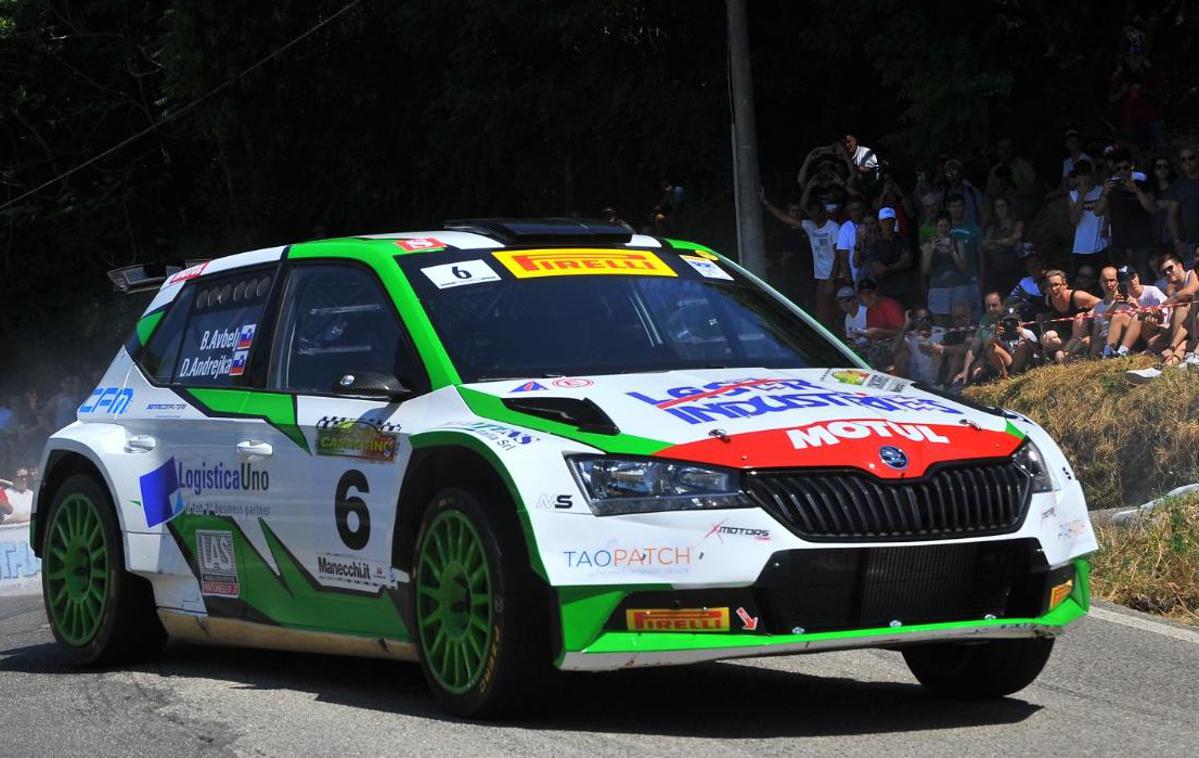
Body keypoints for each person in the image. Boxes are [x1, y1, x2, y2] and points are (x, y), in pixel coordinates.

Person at [1094, 149, 1156, 279]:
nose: (1122, 171)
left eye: (1125, 168)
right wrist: (1105, 193)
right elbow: (1097, 211)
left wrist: (1136, 190)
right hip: (1119, 246)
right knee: (1123, 282)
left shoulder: (1142, 183)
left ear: (1131, 167)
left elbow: (1152, 208)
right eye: (1118, 169)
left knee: (1144, 280)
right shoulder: (1111, 187)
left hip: (1142, 245)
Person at [760, 190, 815, 312]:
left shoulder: (808, 228)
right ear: (787, 212)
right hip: (789, 276)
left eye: (798, 211)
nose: (795, 213)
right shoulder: (781, 232)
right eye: (792, 211)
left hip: (807, 275)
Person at [1102, 266, 1169, 358]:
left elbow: (1162, 315)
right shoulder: (1123, 296)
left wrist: (1136, 306)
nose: (1132, 280)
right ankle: (1107, 352)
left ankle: (1122, 352)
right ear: (1122, 283)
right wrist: (1116, 304)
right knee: (1118, 316)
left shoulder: (1152, 291)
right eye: (1127, 279)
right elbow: (1106, 317)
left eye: (1133, 276)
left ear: (1137, 276)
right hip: (1133, 336)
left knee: (1138, 316)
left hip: (1154, 331)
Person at [1040, 269, 1101, 363]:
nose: (1053, 289)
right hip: (1066, 336)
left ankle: (1071, 354)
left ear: (1065, 285)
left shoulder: (1077, 296)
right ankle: (1071, 354)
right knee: (1046, 338)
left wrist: (1090, 313)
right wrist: (1044, 318)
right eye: (1050, 285)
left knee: (1079, 319)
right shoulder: (1049, 300)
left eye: (1056, 285)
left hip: (1082, 333)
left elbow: (1102, 303)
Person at [836, 283, 900, 369]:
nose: (844, 304)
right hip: (860, 349)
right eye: (840, 301)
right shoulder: (847, 317)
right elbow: (851, 340)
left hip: (876, 346)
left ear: (855, 299)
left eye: (847, 300)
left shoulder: (866, 312)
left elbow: (879, 335)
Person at [921, 212, 969, 327]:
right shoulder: (928, 245)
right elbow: (926, 270)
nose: (943, 229)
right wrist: (931, 250)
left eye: (946, 225)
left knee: (960, 322)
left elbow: (963, 268)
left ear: (950, 227)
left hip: (958, 288)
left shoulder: (958, 243)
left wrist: (952, 251)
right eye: (940, 226)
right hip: (938, 290)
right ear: (936, 228)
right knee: (940, 324)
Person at [861, 207, 916, 306]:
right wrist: (899, 264)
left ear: (895, 222)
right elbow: (878, 270)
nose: (888, 225)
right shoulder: (875, 245)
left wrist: (886, 268)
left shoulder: (904, 240)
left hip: (905, 289)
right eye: (884, 222)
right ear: (879, 223)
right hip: (886, 291)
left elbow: (907, 262)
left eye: (890, 221)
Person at [954, 291, 1006, 386]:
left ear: (1003, 305)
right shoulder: (984, 319)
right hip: (988, 358)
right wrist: (965, 371)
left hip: (1007, 359)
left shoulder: (1008, 319)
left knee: (991, 349)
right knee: (975, 372)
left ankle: (1006, 379)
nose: (991, 309)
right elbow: (974, 348)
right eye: (988, 306)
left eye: (994, 305)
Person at [1067, 160, 1109, 274]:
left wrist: (1105, 226)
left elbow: (1108, 213)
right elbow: (1074, 220)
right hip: (1081, 248)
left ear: (1090, 175)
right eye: (1078, 176)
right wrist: (1082, 195)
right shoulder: (1073, 195)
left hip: (1101, 246)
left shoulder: (1101, 190)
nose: (1082, 179)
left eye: (1084, 175)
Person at [948, 193, 984, 317]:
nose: (956, 209)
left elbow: (981, 256)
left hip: (972, 280)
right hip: (951, 283)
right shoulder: (944, 229)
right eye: (953, 206)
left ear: (964, 207)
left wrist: (981, 279)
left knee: (975, 316)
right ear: (949, 208)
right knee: (957, 317)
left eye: (959, 206)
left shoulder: (974, 229)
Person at [981, 195, 1024, 297]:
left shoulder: (1017, 223)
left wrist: (995, 242)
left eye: (1003, 205)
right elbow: (985, 245)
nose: (1001, 209)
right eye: (997, 207)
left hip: (1014, 269)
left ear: (1008, 207)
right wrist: (1004, 244)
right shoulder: (992, 227)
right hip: (996, 271)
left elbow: (1013, 240)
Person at [891, 307, 946, 385]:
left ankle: (937, 384)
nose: (925, 322)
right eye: (921, 320)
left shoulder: (940, 332)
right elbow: (894, 349)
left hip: (935, 378)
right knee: (901, 355)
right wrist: (905, 325)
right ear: (914, 321)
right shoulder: (909, 336)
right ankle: (901, 384)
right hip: (915, 380)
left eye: (928, 319)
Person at [984, 302, 1039, 379]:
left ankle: (1012, 376)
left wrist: (1023, 335)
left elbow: (1038, 352)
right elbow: (986, 347)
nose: (1010, 324)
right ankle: (1004, 375)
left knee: (1022, 345)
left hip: (1024, 363)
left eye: (1014, 321)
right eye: (1007, 322)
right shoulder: (1000, 332)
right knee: (991, 348)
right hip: (1008, 360)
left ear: (1020, 322)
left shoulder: (1027, 332)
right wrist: (995, 335)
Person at [1166, 147, 1199, 267]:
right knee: (1192, 278)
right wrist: (1177, 241)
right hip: (1188, 241)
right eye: (1183, 160)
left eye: (1191, 158)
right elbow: (1172, 214)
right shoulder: (1178, 185)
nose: (1187, 162)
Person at [939, 158, 989, 228]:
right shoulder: (944, 195)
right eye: (948, 173)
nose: (952, 175)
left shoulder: (972, 191)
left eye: (954, 171)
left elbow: (984, 212)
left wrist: (980, 230)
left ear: (960, 172)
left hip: (972, 232)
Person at [835, 198, 866, 284]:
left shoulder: (870, 224)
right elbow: (843, 258)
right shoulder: (845, 228)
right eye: (853, 210)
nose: (856, 213)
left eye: (858, 209)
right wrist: (849, 281)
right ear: (849, 211)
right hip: (856, 277)